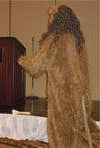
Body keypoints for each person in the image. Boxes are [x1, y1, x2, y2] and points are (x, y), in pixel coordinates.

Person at [18, 5, 100, 148]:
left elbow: (37, 66)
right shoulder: (79, 41)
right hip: (81, 97)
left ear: (56, 20)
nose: (49, 21)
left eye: (51, 17)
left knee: (61, 135)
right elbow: (85, 71)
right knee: (83, 131)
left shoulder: (55, 39)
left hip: (62, 98)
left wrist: (22, 60)